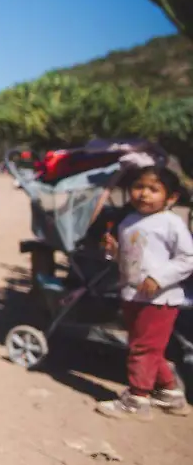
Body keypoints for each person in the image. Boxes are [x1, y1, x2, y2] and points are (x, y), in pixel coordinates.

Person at [97, 165, 193, 420]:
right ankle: (170, 394)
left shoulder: (170, 223)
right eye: (139, 187)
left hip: (159, 300)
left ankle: (137, 397)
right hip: (132, 295)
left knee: (142, 349)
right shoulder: (129, 221)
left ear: (171, 198)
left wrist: (158, 278)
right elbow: (129, 260)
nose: (144, 194)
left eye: (153, 189)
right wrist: (114, 250)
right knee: (150, 348)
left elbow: (188, 258)